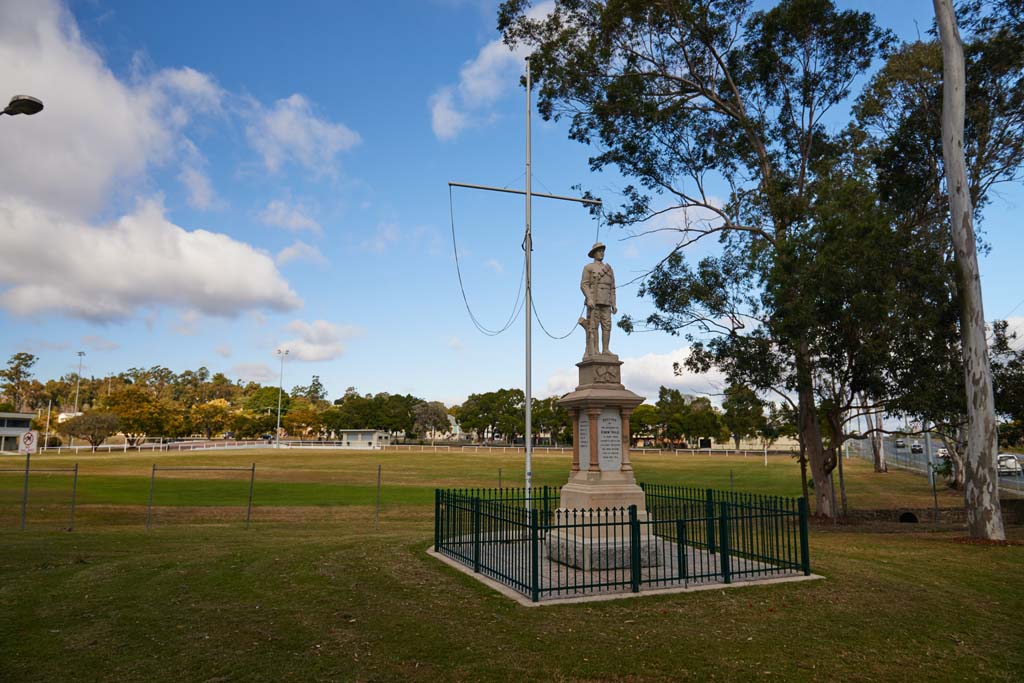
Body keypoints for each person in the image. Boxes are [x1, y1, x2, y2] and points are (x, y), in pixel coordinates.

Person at [579, 242, 616, 357]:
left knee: (607, 325)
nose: (601, 253)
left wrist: (614, 303)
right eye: (599, 251)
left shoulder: (609, 269)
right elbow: (583, 284)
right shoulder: (588, 267)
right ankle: (594, 349)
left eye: (602, 251)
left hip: (606, 302)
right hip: (594, 301)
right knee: (593, 325)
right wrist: (589, 298)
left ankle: (606, 349)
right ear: (594, 253)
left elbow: (613, 287)